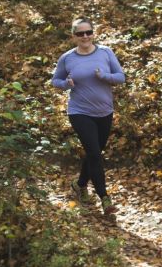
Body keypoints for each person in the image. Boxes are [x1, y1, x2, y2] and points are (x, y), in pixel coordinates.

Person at [51, 18, 125, 219]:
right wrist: (66, 83)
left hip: (104, 111)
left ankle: (80, 184)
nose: (85, 36)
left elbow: (121, 77)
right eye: (80, 33)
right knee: (94, 152)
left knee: (94, 153)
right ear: (73, 36)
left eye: (88, 32)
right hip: (79, 112)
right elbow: (55, 81)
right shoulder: (67, 58)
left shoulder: (106, 52)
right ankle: (105, 198)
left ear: (93, 33)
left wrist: (106, 77)